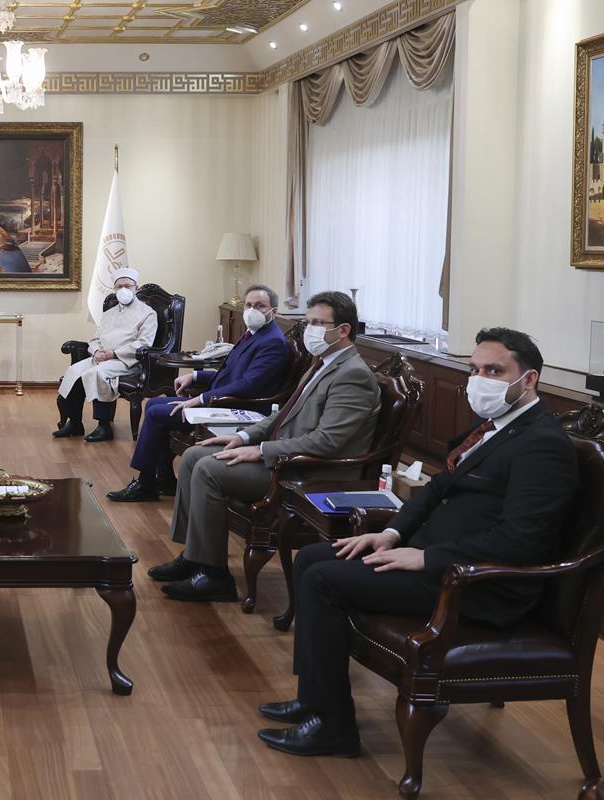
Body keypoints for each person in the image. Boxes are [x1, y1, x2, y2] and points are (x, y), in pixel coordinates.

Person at [257, 327, 579, 758]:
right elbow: (436, 489)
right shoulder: (495, 425)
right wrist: (390, 533)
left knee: (322, 580)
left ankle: (332, 727)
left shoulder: (543, 445)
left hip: (474, 583)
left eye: (494, 371)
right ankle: (313, 699)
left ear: (529, 379)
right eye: (475, 369)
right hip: (436, 558)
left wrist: (426, 557)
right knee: (312, 557)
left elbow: (521, 539)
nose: (479, 380)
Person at [150, 291, 380, 602]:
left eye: (317, 323)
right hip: (286, 455)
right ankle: (194, 556)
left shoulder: (353, 375)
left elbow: (328, 441)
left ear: (343, 330)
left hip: (309, 470)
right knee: (193, 456)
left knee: (208, 469)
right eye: (308, 322)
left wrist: (260, 451)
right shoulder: (322, 363)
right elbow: (284, 413)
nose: (310, 330)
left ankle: (215, 577)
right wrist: (243, 437)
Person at [107, 284, 291, 502]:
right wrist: (195, 377)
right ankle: (164, 478)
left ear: (273, 312)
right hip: (224, 399)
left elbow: (248, 385)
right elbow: (229, 374)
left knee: (157, 413)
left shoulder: (272, 342)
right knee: (154, 404)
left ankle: (146, 483)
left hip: (238, 406)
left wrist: (201, 398)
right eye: (249, 305)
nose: (252, 310)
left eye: (260, 306)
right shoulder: (252, 334)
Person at [55, 267, 158, 443]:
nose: (123, 290)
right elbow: (95, 338)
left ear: (136, 288)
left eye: (127, 286)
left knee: (98, 373)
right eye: (119, 286)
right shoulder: (108, 313)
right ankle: (75, 423)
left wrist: (114, 354)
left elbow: (144, 343)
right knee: (74, 371)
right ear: (114, 289)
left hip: (127, 361)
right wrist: (96, 351)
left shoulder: (148, 313)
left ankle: (104, 426)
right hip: (102, 357)